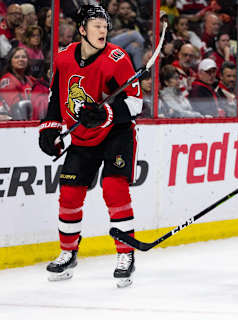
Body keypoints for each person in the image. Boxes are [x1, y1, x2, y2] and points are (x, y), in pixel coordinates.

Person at [38, 4, 142, 288]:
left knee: (114, 187)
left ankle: (125, 254)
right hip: (83, 135)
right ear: (82, 30)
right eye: (95, 25)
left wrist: (105, 113)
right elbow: (56, 97)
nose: (102, 30)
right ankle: (68, 253)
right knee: (70, 194)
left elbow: (135, 103)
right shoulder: (62, 58)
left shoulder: (117, 59)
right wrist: (50, 129)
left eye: (105, 26)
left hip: (116, 133)